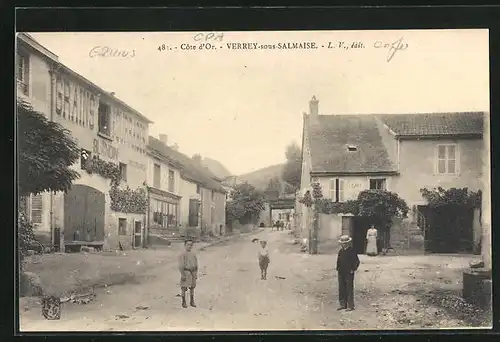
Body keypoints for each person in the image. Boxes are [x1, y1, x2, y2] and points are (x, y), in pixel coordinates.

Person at [336, 235, 360, 311]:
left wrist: (353, 269)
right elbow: (338, 261)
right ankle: (343, 304)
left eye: (345, 243)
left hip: (349, 272)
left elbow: (357, 261)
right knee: (341, 289)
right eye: (342, 243)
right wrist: (338, 268)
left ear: (348, 243)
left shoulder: (352, 251)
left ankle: (350, 305)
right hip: (341, 272)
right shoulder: (341, 251)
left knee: (349, 289)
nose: (344, 244)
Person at [178, 239, 198, 308]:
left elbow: (196, 264)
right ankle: (183, 302)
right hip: (186, 272)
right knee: (184, 287)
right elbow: (180, 266)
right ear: (185, 245)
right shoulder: (182, 254)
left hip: (192, 272)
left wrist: (195, 273)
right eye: (188, 245)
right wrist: (183, 274)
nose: (189, 246)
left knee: (192, 287)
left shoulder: (193, 254)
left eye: (191, 245)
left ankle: (192, 301)